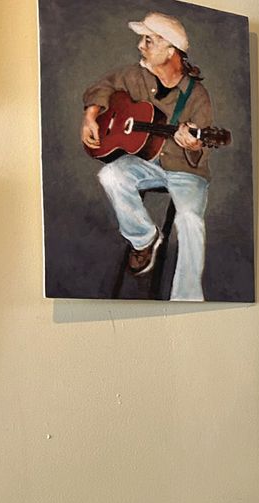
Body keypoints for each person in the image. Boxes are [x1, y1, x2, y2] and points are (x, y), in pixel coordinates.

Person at [81, 11, 212, 301]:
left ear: (171, 50)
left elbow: (199, 147)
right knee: (111, 174)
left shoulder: (198, 95)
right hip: (146, 163)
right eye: (142, 39)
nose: (141, 45)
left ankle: (187, 298)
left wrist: (192, 144)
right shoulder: (132, 76)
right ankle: (144, 238)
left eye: (148, 40)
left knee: (190, 220)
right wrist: (91, 117)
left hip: (184, 170)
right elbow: (102, 87)